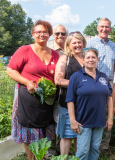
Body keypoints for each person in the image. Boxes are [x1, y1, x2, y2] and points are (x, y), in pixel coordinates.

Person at [7, 20, 59, 160]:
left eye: (45, 32)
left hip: (46, 101)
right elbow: (10, 70)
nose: (42, 34)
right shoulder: (24, 50)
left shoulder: (55, 54)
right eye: (38, 32)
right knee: (29, 131)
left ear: (49, 34)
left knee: (44, 129)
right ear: (33, 34)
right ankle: (32, 158)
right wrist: (27, 82)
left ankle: (41, 156)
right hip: (28, 98)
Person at [66, 48, 114, 160]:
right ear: (83, 60)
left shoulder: (103, 77)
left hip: (99, 120)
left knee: (95, 149)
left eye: (93, 57)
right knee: (83, 152)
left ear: (97, 59)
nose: (91, 60)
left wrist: (110, 117)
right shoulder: (76, 77)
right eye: (88, 57)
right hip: (83, 121)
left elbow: (109, 98)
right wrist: (72, 121)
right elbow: (70, 100)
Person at [86, 17, 115, 155]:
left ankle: (104, 145)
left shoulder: (114, 45)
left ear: (110, 29)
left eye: (107, 27)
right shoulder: (90, 42)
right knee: (92, 112)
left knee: (107, 113)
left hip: (108, 83)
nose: (104, 29)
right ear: (98, 28)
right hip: (93, 81)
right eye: (102, 27)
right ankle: (91, 144)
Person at [54, 31, 86, 156]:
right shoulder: (65, 58)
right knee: (67, 135)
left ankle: (78, 158)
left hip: (83, 104)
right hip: (67, 102)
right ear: (68, 44)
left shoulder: (87, 58)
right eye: (74, 43)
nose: (77, 45)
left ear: (83, 43)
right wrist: (79, 83)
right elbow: (58, 80)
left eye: (79, 42)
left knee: (81, 134)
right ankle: (64, 158)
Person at [48, 24, 68, 157]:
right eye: (57, 33)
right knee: (50, 123)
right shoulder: (48, 50)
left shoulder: (70, 49)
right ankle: (51, 152)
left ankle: (63, 152)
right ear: (53, 35)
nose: (60, 36)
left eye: (63, 33)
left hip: (65, 92)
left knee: (62, 122)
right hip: (51, 93)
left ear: (67, 34)